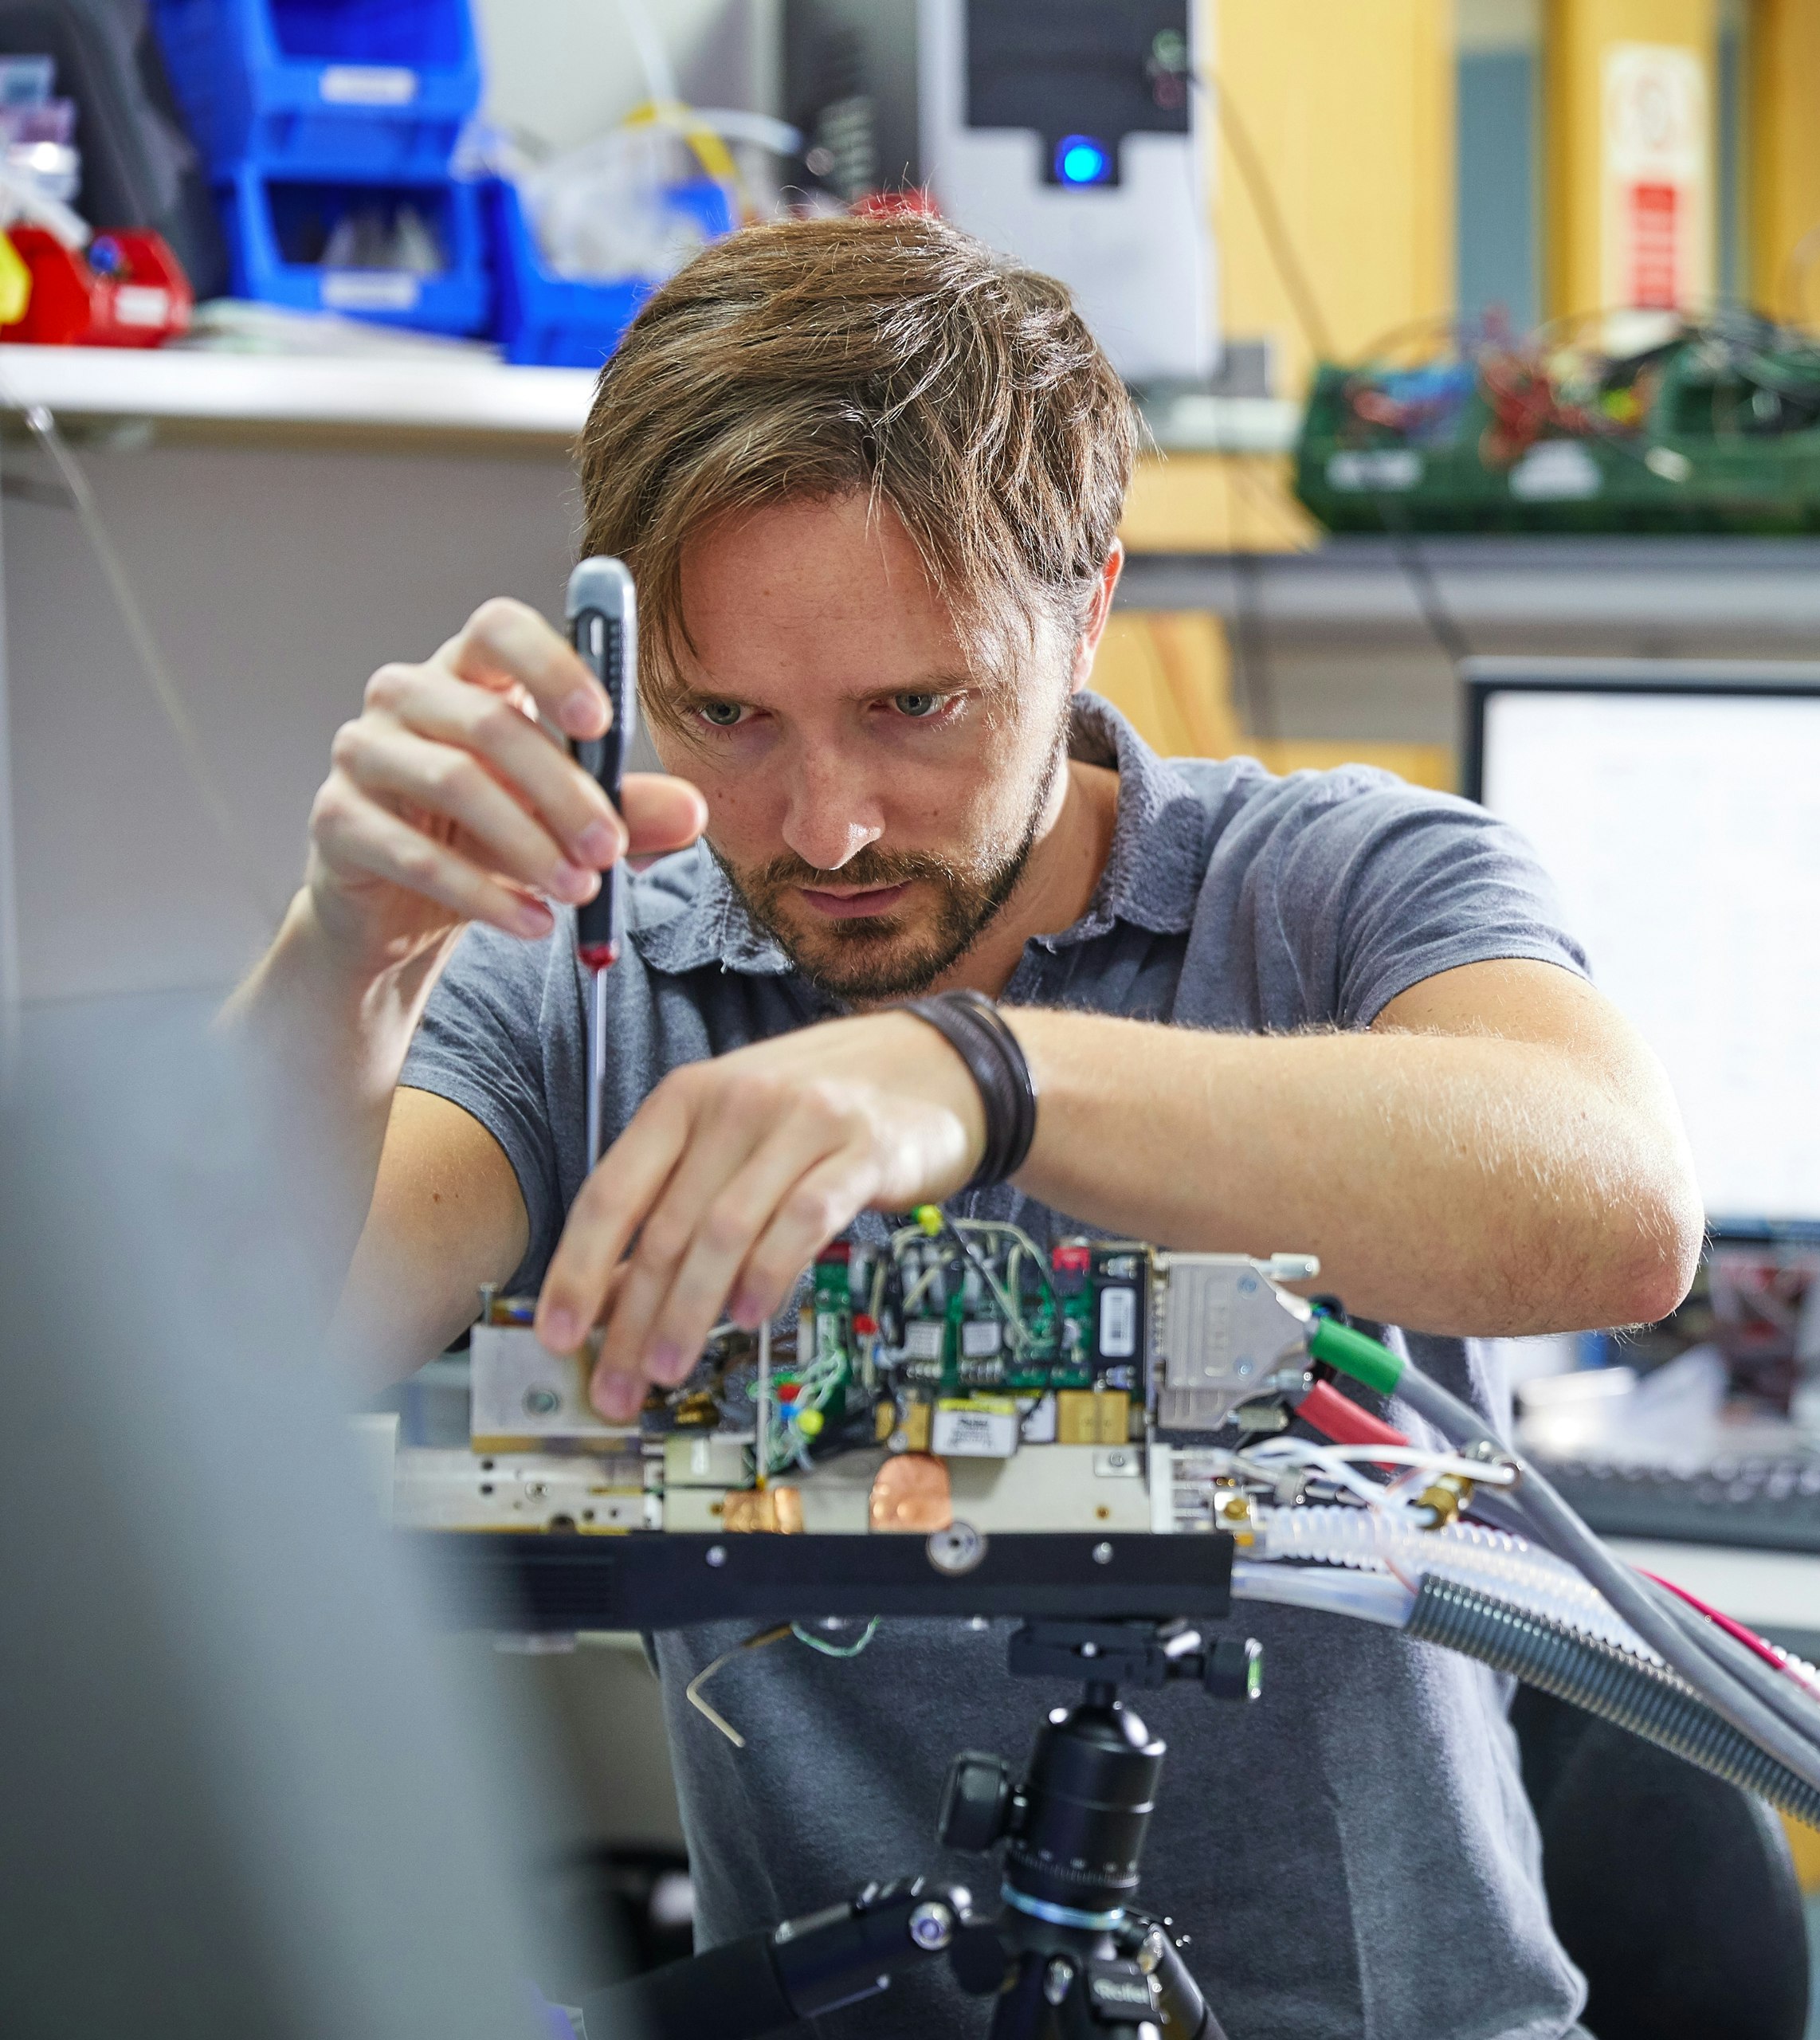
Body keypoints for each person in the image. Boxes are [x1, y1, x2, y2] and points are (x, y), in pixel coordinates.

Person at [226, 211, 1701, 2040]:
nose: (825, 824)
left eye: (915, 708)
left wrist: (980, 1072)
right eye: (730, 716)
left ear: (1085, 606)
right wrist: (346, 956)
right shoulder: (589, 973)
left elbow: (1617, 1207)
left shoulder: (1328, 885)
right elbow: (227, 1364)